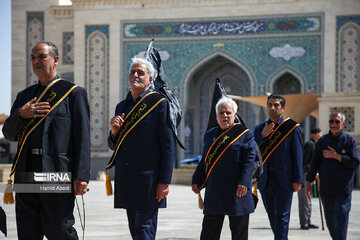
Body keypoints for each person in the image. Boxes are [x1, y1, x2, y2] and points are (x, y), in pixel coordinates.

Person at [2, 41, 90, 239]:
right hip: (27, 170)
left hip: (56, 171)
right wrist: (21, 116)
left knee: (59, 230)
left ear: (55, 60)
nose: (36, 61)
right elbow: (9, 133)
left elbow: (82, 136)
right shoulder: (24, 96)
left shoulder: (73, 93)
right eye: (33, 57)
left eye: (41, 57)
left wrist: (82, 174)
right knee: (28, 232)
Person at [107, 57, 175, 240]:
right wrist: (114, 132)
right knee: (135, 231)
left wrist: (164, 181)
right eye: (132, 72)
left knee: (143, 230)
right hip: (127, 179)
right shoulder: (122, 106)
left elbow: (168, 146)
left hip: (149, 182)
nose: (135, 75)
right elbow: (114, 145)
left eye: (140, 73)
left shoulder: (159, 104)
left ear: (150, 80)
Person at [192, 97, 256, 240]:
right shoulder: (210, 134)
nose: (225, 116)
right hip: (215, 190)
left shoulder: (245, 134)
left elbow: (249, 160)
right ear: (216, 116)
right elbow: (205, 159)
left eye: (228, 112)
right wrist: (196, 179)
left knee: (239, 234)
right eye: (221, 113)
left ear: (235, 114)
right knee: (209, 233)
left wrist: (244, 182)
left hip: (238, 190)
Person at [253, 93, 303, 240]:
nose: (272, 108)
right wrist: (261, 137)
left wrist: (297, 179)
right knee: (272, 217)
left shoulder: (291, 127)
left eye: (276, 105)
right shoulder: (260, 128)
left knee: (281, 217)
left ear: (283, 108)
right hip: (265, 179)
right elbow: (252, 152)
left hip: (285, 180)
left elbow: (298, 155)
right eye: (270, 105)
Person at [306, 112, 360, 240]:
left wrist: (337, 156)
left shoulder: (349, 140)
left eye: (337, 121)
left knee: (341, 219)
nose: (334, 124)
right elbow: (315, 163)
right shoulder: (323, 141)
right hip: (326, 189)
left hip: (343, 190)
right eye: (331, 121)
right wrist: (309, 183)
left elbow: (355, 161)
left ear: (343, 124)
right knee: (330, 221)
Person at [298, 127, 321, 230]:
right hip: (305, 175)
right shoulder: (310, 145)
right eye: (319, 134)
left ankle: (308, 221)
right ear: (316, 134)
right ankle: (304, 222)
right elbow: (304, 162)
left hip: (310, 175)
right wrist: (312, 172)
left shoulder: (315, 145)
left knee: (309, 199)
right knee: (304, 200)